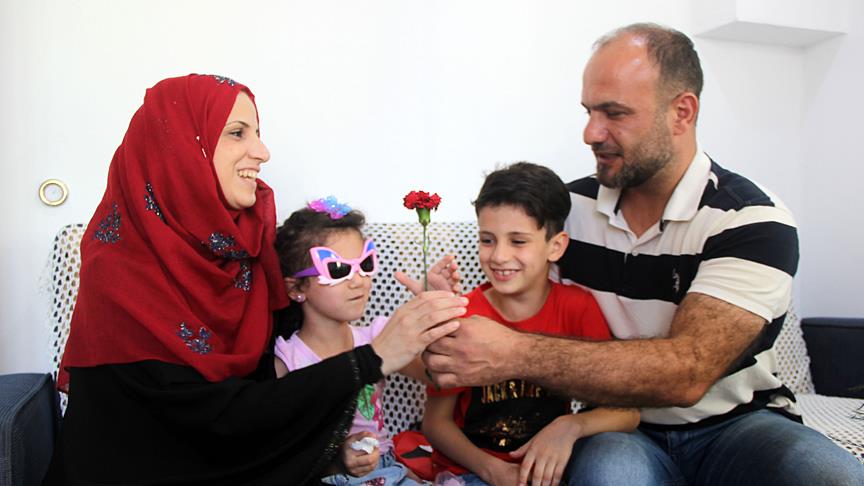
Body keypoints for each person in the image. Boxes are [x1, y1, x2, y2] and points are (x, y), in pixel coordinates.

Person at [423, 24, 864, 485]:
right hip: (615, 427)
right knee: (612, 475)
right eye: (589, 111)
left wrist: (515, 353)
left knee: (834, 477)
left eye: (614, 113)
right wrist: (438, 311)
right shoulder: (565, 212)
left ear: (682, 112)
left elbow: (688, 371)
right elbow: (504, 295)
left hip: (740, 425)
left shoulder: (751, 221)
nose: (591, 133)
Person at [44, 74, 466, 485]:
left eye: (257, 133)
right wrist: (372, 359)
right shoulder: (119, 271)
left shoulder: (243, 253)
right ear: (178, 151)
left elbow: (276, 390)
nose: (262, 152)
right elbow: (204, 423)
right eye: (237, 133)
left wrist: (435, 319)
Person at [421, 162, 640, 486]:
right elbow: (436, 423)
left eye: (518, 241)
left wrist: (570, 426)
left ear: (556, 246)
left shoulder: (578, 308)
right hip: (471, 471)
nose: (499, 256)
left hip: (545, 474)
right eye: (487, 240)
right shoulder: (463, 315)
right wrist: (492, 471)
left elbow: (627, 413)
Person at [272, 200, 458, 485]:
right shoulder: (287, 359)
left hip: (389, 470)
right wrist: (337, 457)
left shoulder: (379, 337)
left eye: (365, 264)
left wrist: (440, 312)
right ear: (296, 288)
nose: (358, 281)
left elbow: (439, 375)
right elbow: (284, 447)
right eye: (337, 269)